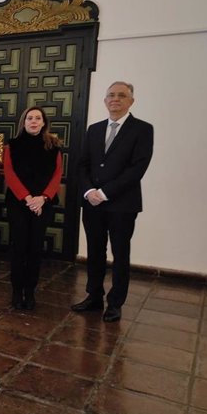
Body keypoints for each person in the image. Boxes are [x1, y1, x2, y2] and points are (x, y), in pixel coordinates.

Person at [72, 81, 154, 322]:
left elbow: (137, 168)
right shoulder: (94, 129)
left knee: (120, 253)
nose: (115, 99)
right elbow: (83, 164)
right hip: (91, 203)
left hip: (122, 204)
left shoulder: (142, 129)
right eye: (110, 95)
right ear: (105, 100)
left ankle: (115, 303)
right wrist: (89, 192)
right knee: (95, 252)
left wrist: (104, 193)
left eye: (121, 95)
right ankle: (94, 296)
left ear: (131, 101)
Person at [4, 107, 63, 310]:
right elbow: (10, 175)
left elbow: (57, 176)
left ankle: (30, 291)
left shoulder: (53, 146)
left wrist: (42, 198)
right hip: (19, 203)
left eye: (38, 118)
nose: (34, 121)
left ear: (44, 122)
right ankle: (16, 291)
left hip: (43, 205)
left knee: (35, 249)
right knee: (19, 248)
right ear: (24, 121)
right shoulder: (12, 145)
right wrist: (28, 198)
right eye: (30, 118)